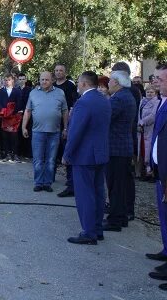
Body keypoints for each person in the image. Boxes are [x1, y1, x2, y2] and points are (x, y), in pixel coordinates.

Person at [62, 71, 111, 245]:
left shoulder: (83, 103)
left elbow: (75, 132)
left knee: (85, 195)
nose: (77, 85)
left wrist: (67, 154)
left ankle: (89, 232)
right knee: (98, 193)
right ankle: (97, 229)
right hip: (100, 154)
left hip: (84, 155)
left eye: (78, 82)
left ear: (83, 84)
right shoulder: (104, 100)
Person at [22, 72, 68, 192]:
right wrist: (24, 127)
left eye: (46, 80)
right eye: (42, 79)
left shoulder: (60, 93)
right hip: (37, 132)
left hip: (54, 132)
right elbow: (27, 111)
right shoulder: (33, 93)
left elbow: (65, 111)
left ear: (52, 80)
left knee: (51, 159)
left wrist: (65, 128)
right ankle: (38, 182)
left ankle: (47, 183)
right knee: (37, 159)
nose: (44, 82)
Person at [103, 70, 137, 232]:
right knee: (120, 186)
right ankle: (121, 216)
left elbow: (105, 117)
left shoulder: (119, 98)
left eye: (110, 81)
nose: (108, 83)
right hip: (123, 147)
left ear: (116, 82)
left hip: (116, 148)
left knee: (115, 186)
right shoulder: (127, 96)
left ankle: (114, 220)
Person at [145, 63, 167, 288]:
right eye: (155, 78)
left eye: (160, 79)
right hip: (161, 171)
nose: (155, 81)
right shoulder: (163, 101)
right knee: (164, 217)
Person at [112, 61, 141, 221]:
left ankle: (127, 209)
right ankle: (119, 206)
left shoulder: (130, 92)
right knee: (120, 178)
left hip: (125, 137)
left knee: (124, 177)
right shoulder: (125, 92)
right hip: (125, 137)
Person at [54, 64, 79, 198]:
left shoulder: (70, 86)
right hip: (52, 124)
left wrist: (66, 126)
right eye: (56, 70)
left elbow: (73, 106)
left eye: (61, 71)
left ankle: (71, 183)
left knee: (67, 152)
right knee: (52, 153)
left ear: (65, 72)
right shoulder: (52, 86)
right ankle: (49, 178)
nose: (58, 73)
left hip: (66, 124)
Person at [0, 74, 22, 162]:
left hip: (14, 117)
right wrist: (4, 112)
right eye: (5, 80)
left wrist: (12, 112)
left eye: (9, 80)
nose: (7, 81)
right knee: (5, 136)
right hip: (4, 117)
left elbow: (19, 103)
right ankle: (7, 154)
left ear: (12, 81)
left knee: (14, 136)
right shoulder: (0, 91)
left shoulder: (17, 91)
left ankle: (15, 154)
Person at [138, 86, 160, 180]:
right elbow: (138, 114)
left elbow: (153, 115)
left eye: (152, 92)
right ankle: (146, 171)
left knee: (149, 150)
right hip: (141, 130)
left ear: (155, 93)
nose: (149, 94)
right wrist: (138, 124)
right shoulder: (142, 102)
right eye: (148, 92)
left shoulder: (157, 102)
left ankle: (151, 172)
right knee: (143, 150)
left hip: (150, 128)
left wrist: (142, 122)